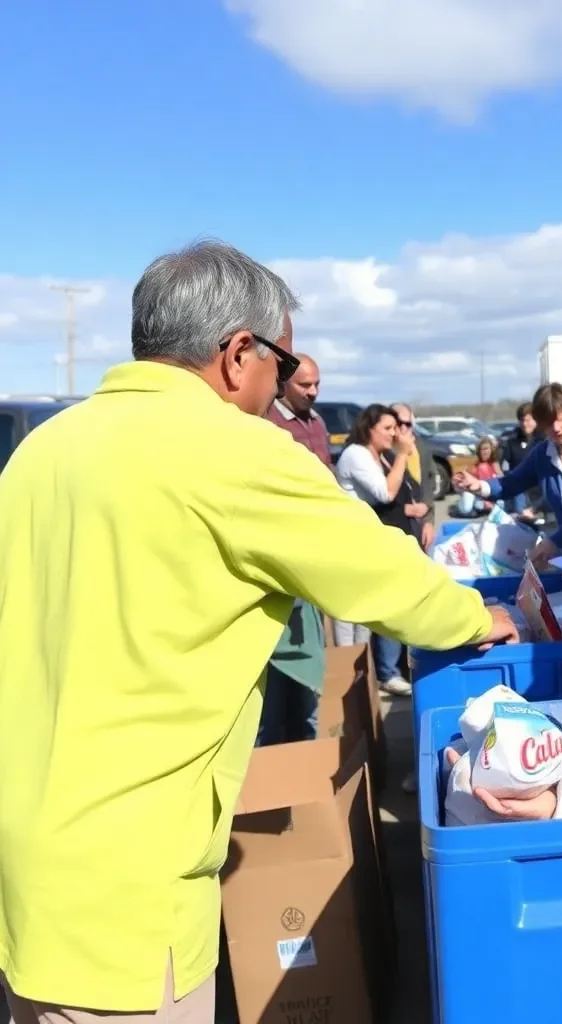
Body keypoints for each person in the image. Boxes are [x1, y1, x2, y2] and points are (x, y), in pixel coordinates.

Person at [0, 241, 516, 1024]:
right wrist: (480, 617)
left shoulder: (44, 449)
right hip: (129, 890)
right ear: (238, 352)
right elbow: (385, 577)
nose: (282, 385)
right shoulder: (231, 450)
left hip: (28, 863)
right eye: (282, 360)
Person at [454, 383, 562, 569]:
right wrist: (478, 486)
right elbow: (511, 483)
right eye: (548, 423)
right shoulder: (543, 454)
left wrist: (555, 541)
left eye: (560, 419)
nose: (556, 428)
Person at [260, 352, 332, 746]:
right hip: (283, 566)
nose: (314, 392)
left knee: (309, 683)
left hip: (314, 564)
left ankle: (303, 749)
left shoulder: (317, 424)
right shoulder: (265, 425)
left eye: (317, 384)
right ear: (284, 383)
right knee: (276, 685)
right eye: (306, 385)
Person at [337, 404, 430, 698]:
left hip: (369, 545)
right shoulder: (356, 454)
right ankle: (347, 681)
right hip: (351, 546)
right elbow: (386, 493)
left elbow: (406, 488)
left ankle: (365, 679)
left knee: (366, 619)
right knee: (349, 620)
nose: (395, 434)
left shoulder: (378, 455)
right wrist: (402, 453)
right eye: (388, 428)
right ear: (369, 428)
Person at [391, 401, 438, 549]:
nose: (403, 428)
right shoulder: (383, 452)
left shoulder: (421, 446)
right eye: (399, 423)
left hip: (420, 527)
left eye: (408, 424)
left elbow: (429, 484)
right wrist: (403, 509)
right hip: (395, 530)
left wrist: (429, 521)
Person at [502, 401, 539, 515]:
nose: (524, 423)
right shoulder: (512, 441)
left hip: (537, 488)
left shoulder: (543, 441)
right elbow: (505, 464)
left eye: (528, 420)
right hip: (518, 486)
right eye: (522, 420)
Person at [456, 435, 503, 516]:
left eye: (486, 449)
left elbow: (501, 482)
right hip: (478, 495)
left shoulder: (495, 463)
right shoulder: (476, 465)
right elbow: (468, 487)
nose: (483, 452)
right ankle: (471, 507)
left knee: (501, 503)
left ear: (491, 450)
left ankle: (485, 507)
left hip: (492, 495)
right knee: (470, 507)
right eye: (481, 449)